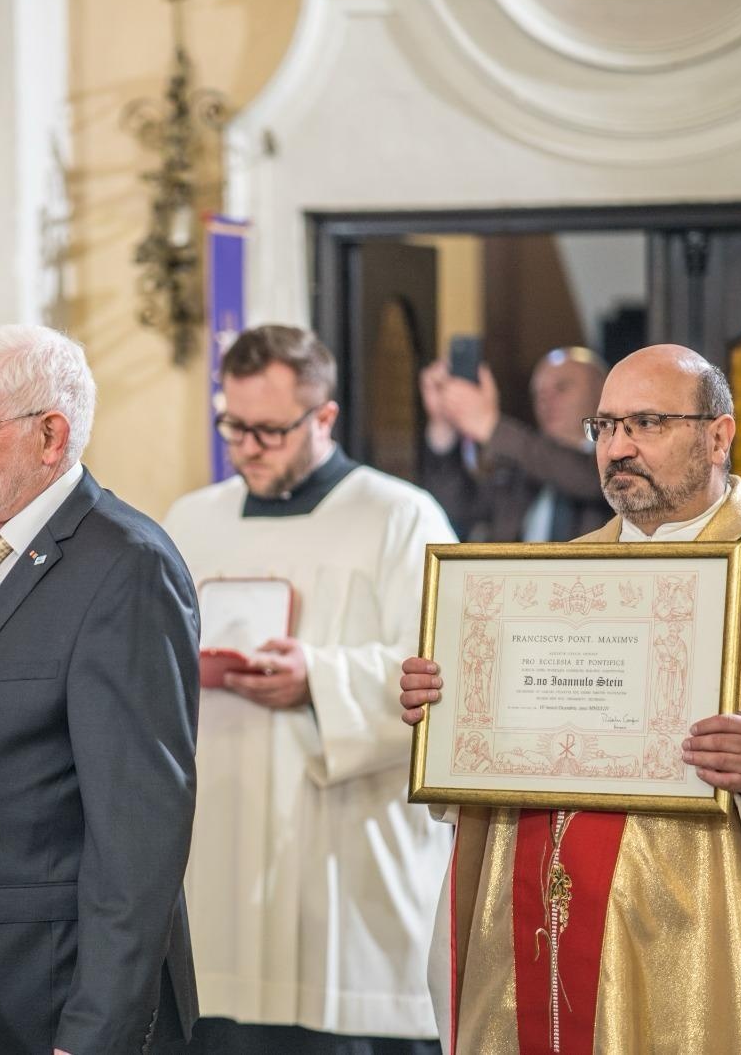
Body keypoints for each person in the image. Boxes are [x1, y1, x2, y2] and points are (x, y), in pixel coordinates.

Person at [399, 344, 741, 1052]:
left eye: (646, 422)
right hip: (536, 927)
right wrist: (447, 706)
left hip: (702, 942)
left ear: (718, 435)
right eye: (605, 427)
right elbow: (492, 750)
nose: (618, 447)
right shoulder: (544, 581)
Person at [0, 325, 200, 1055]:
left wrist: (97, 1032)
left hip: (46, 999)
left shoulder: (128, 567)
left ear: (50, 435)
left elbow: (139, 837)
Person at [162, 325, 456, 1055]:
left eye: (269, 429)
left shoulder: (400, 516)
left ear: (324, 418)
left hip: (344, 854)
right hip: (219, 846)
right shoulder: (190, 521)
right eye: (233, 425)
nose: (248, 446)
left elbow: (443, 674)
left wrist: (319, 678)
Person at [420, 347, 609, 542]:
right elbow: (456, 508)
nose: (546, 400)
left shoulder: (616, 460)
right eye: (539, 393)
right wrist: (443, 425)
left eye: (561, 388)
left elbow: (582, 476)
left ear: (602, 391)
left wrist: (490, 425)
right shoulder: (520, 468)